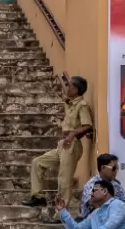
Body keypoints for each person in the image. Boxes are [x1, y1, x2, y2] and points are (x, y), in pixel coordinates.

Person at [26, 74, 93, 206]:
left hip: (72, 144)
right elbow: (66, 93)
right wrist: (62, 79)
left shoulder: (82, 105)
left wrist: (73, 133)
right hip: (63, 144)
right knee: (37, 162)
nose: (67, 87)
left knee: (64, 179)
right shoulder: (70, 102)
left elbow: (88, 126)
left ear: (76, 89)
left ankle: (61, 213)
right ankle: (38, 196)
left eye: (70, 85)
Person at [80, 153, 125, 229]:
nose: (116, 171)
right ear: (103, 168)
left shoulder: (115, 184)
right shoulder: (92, 184)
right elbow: (94, 204)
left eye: (117, 168)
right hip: (94, 222)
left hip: (112, 218)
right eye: (114, 168)